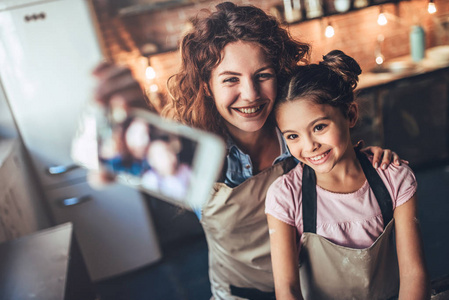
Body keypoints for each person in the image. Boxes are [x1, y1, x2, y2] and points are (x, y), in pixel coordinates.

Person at [92, 3, 402, 299]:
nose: (250, 94)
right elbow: (135, 156)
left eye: (263, 75)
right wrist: (130, 126)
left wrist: (368, 161)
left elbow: (340, 160)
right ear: (206, 86)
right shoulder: (202, 152)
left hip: (312, 289)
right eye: (230, 80)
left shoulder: (298, 133)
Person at [265, 50, 430, 300]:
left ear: (350, 115)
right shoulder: (284, 196)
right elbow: (287, 289)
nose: (309, 146)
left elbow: (413, 275)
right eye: (293, 136)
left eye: (319, 127)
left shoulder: (394, 178)